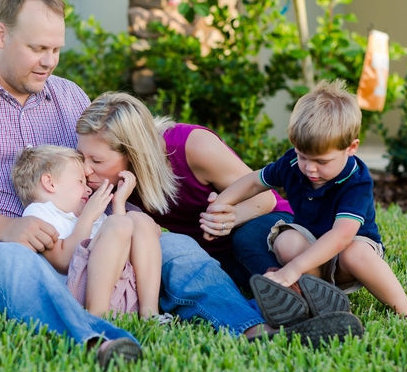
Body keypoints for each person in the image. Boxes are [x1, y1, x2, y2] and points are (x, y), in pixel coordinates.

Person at [0, 0, 360, 366]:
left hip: (78, 235)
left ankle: (253, 328)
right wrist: (6, 227)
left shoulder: (66, 97)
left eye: (56, 49)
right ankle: (94, 339)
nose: (49, 61)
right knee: (15, 262)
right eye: (37, 48)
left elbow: (101, 163)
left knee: (176, 246)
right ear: (0, 35)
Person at [211, 80, 407, 323]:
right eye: (303, 156)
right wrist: (222, 203)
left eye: (322, 162)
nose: (310, 168)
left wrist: (293, 269)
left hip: (348, 252)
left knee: (354, 253)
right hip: (312, 251)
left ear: (351, 147)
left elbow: (342, 236)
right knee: (286, 241)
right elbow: (254, 182)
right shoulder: (293, 164)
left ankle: (406, 311)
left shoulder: (356, 181)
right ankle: (317, 296)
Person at [75, 92, 293, 291]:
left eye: (97, 160)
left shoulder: (193, 146)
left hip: (271, 226)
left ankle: (294, 295)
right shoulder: (113, 183)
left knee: (245, 239)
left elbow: (265, 198)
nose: (85, 169)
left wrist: (230, 218)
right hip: (216, 251)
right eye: (81, 156)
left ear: (133, 153)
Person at [10, 144, 164, 319]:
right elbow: (63, 260)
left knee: (139, 220)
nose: (89, 189)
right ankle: (96, 317)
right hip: (80, 293)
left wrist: (119, 203)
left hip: (120, 290)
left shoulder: (87, 216)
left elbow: (122, 241)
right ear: (50, 183)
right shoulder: (39, 212)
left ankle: (150, 313)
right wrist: (88, 217)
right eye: (80, 181)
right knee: (118, 224)